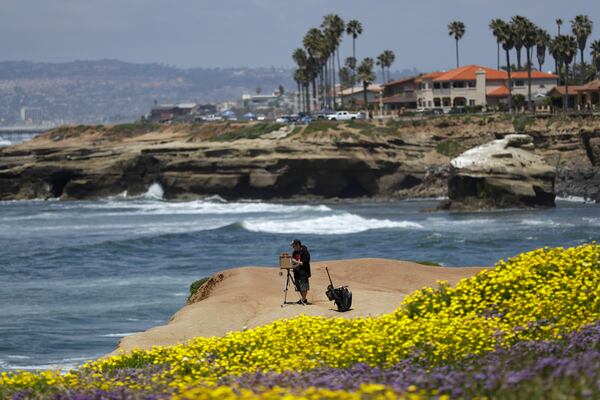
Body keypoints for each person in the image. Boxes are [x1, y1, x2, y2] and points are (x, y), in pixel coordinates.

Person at [291, 239, 311, 305]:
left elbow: (305, 262)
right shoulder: (294, 252)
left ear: (298, 245)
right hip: (296, 272)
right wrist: (293, 265)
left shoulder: (305, 251)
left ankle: (303, 299)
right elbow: (293, 261)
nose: (293, 248)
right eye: (293, 246)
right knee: (298, 287)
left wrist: (296, 262)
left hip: (304, 272)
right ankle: (302, 299)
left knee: (304, 287)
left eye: (294, 246)